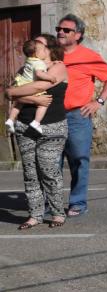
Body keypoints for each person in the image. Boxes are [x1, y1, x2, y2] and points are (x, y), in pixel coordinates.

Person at [56, 14, 107, 217]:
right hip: (52, 116)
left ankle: (77, 203)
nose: (60, 32)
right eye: (59, 29)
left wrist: (98, 102)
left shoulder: (88, 55)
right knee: (51, 163)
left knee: (79, 160)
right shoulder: (52, 55)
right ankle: (51, 204)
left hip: (77, 116)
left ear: (78, 35)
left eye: (66, 30)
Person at [5, 34, 68, 229]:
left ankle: (58, 213)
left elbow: (42, 85)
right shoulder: (26, 68)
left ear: (49, 49)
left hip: (52, 126)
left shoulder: (58, 66)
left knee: (48, 170)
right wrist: (34, 100)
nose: (34, 46)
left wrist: (18, 92)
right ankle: (35, 215)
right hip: (24, 127)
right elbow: (9, 93)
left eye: (39, 44)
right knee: (30, 173)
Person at [5, 39, 57, 134]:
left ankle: (10, 119)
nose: (45, 51)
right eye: (43, 50)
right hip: (30, 85)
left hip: (21, 84)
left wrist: (52, 63)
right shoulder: (39, 63)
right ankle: (36, 122)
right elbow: (39, 73)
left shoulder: (29, 60)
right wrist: (50, 77)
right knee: (43, 104)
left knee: (18, 104)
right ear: (36, 54)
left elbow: (39, 66)